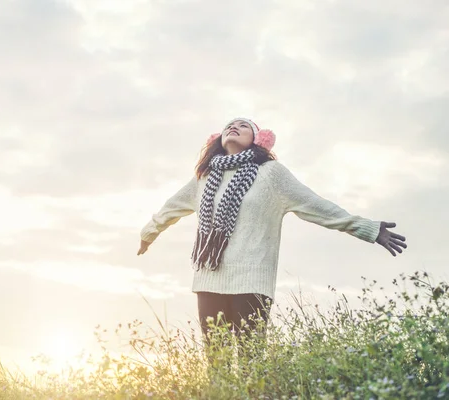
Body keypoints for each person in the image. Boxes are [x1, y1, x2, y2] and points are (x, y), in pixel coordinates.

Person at [137, 117, 407, 344]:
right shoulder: (204, 178)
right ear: (217, 139)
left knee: (250, 363)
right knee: (215, 363)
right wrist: (149, 233)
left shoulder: (271, 173)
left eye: (243, 125)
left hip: (252, 280)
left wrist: (367, 228)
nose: (234, 126)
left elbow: (315, 205)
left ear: (258, 139)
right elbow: (171, 208)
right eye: (229, 125)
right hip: (208, 279)